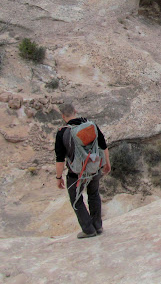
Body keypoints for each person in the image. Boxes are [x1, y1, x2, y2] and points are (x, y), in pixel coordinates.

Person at [55, 102, 111, 239]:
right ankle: (98, 225)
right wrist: (107, 163)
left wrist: (58, 177)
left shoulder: (62, 132)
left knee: (76, 199)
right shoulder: (90, 125)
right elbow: (103, 145)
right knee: (94, 194)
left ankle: (88, 229)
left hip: (76, 173)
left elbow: (60, 158)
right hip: (94, 168)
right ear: (76, 110)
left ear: (63, 116)